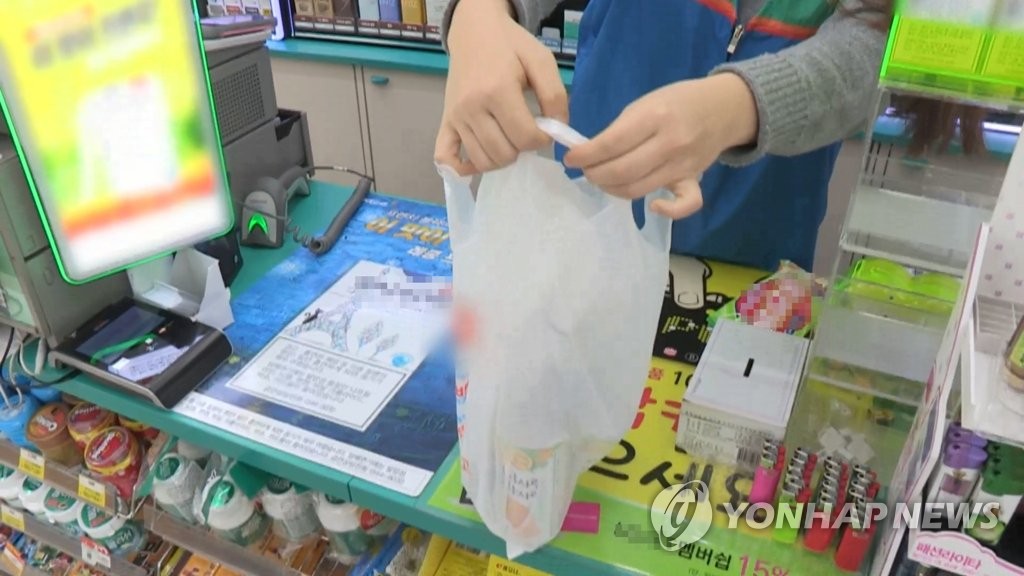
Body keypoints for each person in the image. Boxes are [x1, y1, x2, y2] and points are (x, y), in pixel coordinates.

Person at [434, 0, 891, 271]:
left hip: (755, 252)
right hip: (588, 225)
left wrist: (741, 105)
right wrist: (478, 13)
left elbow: (878, 39)